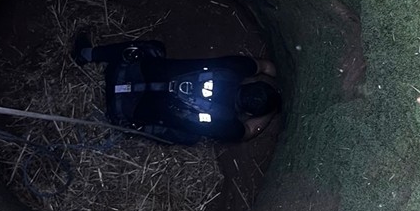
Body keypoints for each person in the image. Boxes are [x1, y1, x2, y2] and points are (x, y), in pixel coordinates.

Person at [72, 34, 281, 145]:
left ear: (249, 82)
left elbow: (265, 66)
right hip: (121, 112)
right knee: (191, 137)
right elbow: (249, 131)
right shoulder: (225, 123)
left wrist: (276, 76)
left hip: (119, 71)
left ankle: (86, 54)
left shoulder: (232, 69)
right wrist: (272, 110)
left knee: (153, 49)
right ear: (249, 112)